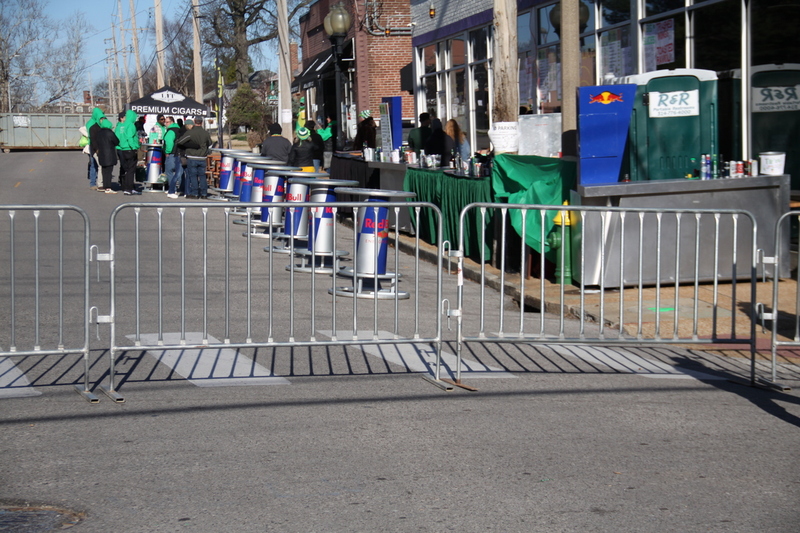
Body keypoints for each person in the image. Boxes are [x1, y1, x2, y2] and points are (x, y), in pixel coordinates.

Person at [178, 118, 213, 199]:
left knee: (193, 175)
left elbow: (180, 141)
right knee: (202, 176)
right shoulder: (205, 133)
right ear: (202, 122)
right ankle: (204, 194)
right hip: (202, 157)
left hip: (192, 156)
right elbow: (210, 143)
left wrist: (190, 145)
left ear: (194, 122)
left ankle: (195, 193)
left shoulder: (190, 132)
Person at [117, 109, 142, 195]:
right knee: (131, 170)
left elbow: (118, 136)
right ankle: (129, 188)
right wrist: (135, 147)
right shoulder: (131, 125)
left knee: (126, 169)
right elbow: (130, 137)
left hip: (122, 148)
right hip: (129, 149)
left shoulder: (121, 125)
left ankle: (126, 187)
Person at [94, 118, 120, 193]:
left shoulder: (99, 133)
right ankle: (108, 187)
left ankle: (105, 186)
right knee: (109, 171)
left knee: (104, 171)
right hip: (109, 154)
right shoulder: (110, 133)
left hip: (101, 154)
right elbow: (116, 141)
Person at [84, 107, 106, 189]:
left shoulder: (90, 122)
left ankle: (94, 182)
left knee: (94, 164)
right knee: (95, 164)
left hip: (92, 145)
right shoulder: (93, 124)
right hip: (93, 146)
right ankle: (93, 183)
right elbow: (92, 136)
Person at [163, 116, 183, 199]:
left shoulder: (171, 131)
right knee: (179, 172)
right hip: (179, 153)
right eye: (165, 122)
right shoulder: (179, 130)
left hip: (172, 153)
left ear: (171, 122)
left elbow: (169, 142)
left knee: (169, 171)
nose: (165, 124)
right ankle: (180, 188)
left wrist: (167, 152)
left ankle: (172, 189)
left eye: (167, 122)